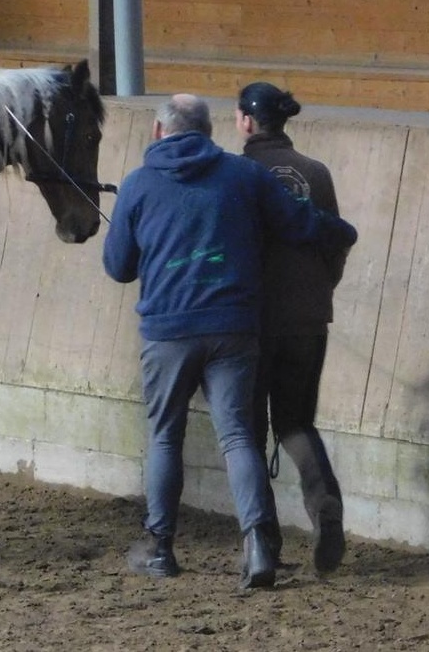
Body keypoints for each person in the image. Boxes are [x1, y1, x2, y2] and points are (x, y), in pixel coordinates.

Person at [102, 94, 357, 589]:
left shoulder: (136, 184)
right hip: (233, 328)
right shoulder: (244, 176)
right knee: (239, 436)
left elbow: (119, 268)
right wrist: (341, 229)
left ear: (158, 132)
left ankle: (160, 548)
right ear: (208, 130)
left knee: (164, 437)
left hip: (168, 330)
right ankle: (258, 544)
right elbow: (299, 222)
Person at [237, 82, 348, 574]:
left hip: (252, 321)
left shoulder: (236, 174)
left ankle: (266, 544)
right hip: (308, 316)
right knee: (296, 423)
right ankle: (325, 508)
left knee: (248, 432)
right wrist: (321, 287)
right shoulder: (316, 173)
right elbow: (335, 243)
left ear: (245, 121)